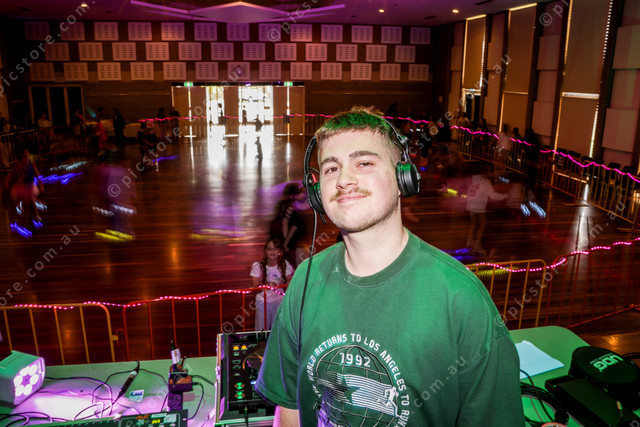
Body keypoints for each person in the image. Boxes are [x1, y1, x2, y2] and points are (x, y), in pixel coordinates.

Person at [256, 107, 524, 426]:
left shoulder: (461, 299)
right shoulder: (305, 279)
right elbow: (289, 405)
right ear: (317, 193)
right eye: (331, 168)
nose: (344, 179)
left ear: (402, 179)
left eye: (364, 163)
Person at [250, 239, 294, 330]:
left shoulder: (285, 264)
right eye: (269, 249)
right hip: (263, 303)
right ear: (265, 251)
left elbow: (290, 281)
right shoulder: (258, 266)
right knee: (262, 330)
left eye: (275, 248)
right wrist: (266, 286)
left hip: (279, 302)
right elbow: (255, 288)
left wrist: (283, 282)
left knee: (278, 330)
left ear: (280, 251)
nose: (272, 251)